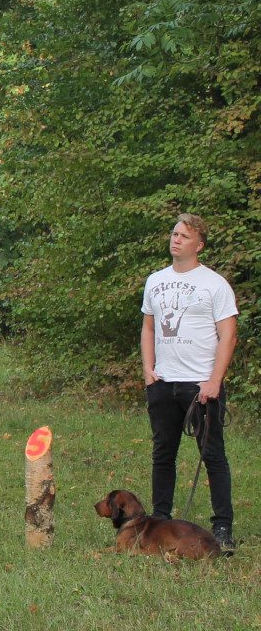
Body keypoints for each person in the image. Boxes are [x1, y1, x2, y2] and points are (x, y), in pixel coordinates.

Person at [141, 213, 238, 553]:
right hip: (163, 383)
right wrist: (149, 370)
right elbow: (149, 327)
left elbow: (228, 335)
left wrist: (214, 381)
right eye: (174, 233)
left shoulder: (214, 284)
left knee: (212, 456)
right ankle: (159, 522)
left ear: (199, 245)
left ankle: (222, 527)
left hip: (200, 386)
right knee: (162, 454)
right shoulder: (155, 281)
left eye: (184, 235)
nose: (176, 239)